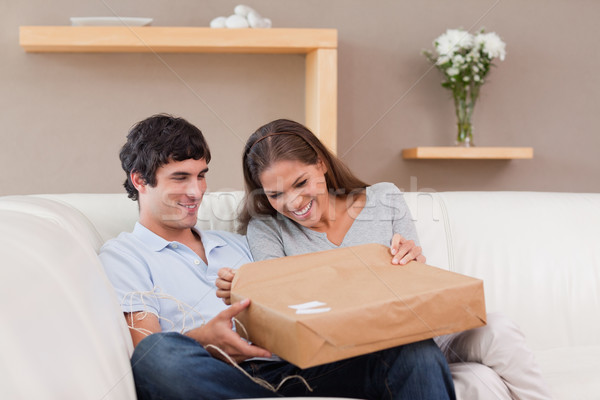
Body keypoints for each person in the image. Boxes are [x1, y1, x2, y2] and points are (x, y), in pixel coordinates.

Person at [99, 113, 456, 400]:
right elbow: (145, 351)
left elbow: (304, 295)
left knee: (415, 350)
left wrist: (398, 267)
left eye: (201, 176)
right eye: (180, 178)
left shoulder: (237, 243)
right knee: (160, 355)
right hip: (215, 371)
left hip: (294, 368)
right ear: (140, 180)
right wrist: (206, 339)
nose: (196, 192)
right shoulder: (125, 255)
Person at [216, 118, 553, 400]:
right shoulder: (267, 230)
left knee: (500, 329)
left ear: (320, 163)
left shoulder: (384, 198)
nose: (293, 202)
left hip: (414, 327)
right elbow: (282, 305)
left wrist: (414, 262)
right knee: (444, 367)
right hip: (355, 354)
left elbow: (416, 285)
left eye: (301, 183)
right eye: (275, 194)